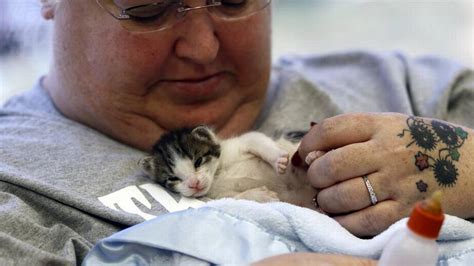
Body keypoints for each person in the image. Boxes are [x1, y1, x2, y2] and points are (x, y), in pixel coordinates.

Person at [0, 0, 473, 264]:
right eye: (149, 11)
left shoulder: (413, 85)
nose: (203, 47)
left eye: (233, 1)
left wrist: (467, 169)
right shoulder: (16, 189)